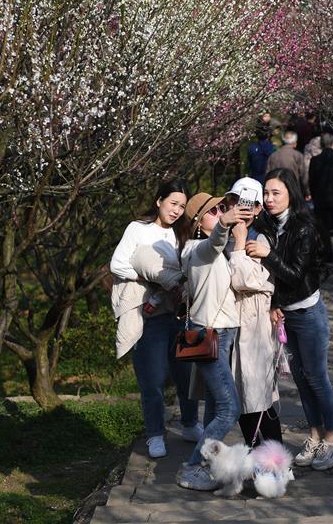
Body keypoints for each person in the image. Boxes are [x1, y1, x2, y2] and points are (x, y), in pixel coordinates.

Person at [246, 169, 333, 471]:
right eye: (266, 193)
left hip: (308, 313)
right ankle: (315, 436)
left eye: (275, 193)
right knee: (301, 380)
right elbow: (273, 282)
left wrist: (267, 253)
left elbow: (293, 274)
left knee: (317, 378)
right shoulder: (268, 224)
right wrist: (274, 303)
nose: (269, 199)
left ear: (290, 192)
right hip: (286, 315)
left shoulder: (303, 227)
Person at [109, 180, 201, 459]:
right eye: (173, 203)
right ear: (159, 200)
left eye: (182, 206)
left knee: (187, 374)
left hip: (179, 312)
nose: (176, 210)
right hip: (150, 317)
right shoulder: (138, 229)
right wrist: (145, 276)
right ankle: (155, 434)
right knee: (153, 378)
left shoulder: (181, 234)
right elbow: (117, 263)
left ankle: (189, 423)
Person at [175, 193, 254, 491]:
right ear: (198, 222)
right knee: (228, 409)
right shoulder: (198, 250)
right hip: (211, 335)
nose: (222, 211)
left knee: (213, 408)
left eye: (223, 206)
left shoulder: (213, 252)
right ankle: (192, 467)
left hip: (222, 334)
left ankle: (205, 464)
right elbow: (213, 243)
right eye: (214, 210)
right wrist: (224, 224)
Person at [223, 178, 283, 448]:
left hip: (255, 322)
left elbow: (247, 280)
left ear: (258, 209)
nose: (241, 208)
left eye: (248, 204)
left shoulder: (261, 238)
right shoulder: (224, 234)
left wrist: (238, 246)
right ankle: (258, 456)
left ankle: (274, 460)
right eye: (235, 201)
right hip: (231, 322)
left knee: (257, 396)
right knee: (241, 396)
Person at [308, 132, 333, 263]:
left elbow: (311, 181)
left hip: (320, 198)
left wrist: (314, 196)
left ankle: (326, 253)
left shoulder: (315, 160)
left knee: (323, 228)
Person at [266, 131, 305, 195]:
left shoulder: (273, 155)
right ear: (294, 143)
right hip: (293, 190)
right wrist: (307, 192)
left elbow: (268, 174)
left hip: (277, 190)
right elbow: (304, 176)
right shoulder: (298, 155)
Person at [247, 117, 276, 184]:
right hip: (270, 178)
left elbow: (249, 165)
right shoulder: (273, 148)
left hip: (255, 178)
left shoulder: (252, 148)